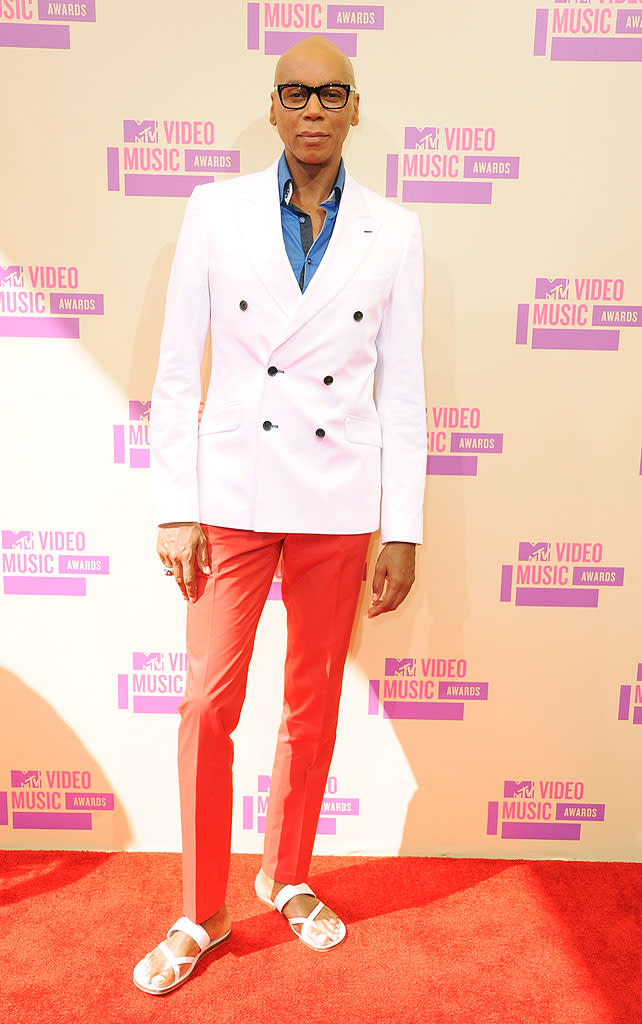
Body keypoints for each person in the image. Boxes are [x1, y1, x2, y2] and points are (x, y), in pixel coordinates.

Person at [133, 35, 427, 995]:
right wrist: (176, 507)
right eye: (295, 92)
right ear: (272, 106)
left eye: (330, 94)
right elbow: (178, 373)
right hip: (231, 495)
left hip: (340, 501)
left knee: (310, 707)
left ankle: (285, 874)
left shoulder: (396, 230)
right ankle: (201, 907)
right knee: (206, 704)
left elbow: (405, 393)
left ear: (352, 110)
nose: (312, 108)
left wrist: (406, 524)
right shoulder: (213, 211)